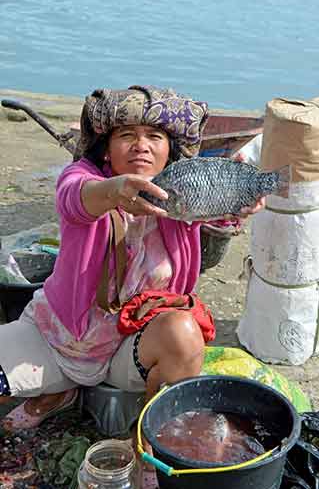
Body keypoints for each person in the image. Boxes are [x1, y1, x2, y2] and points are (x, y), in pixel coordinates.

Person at [0, 85, 264, 437]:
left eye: (155, 136)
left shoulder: (186, 196)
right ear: (107, 149)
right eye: (127, 135)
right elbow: (75, 199)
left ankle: (150, 436)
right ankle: (58, 392)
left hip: (128, 352)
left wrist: (238, 200)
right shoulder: (83, 180)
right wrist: (116, 191)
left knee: (184, 331)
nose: (141, 145)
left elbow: (221, 217)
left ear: (170, 151)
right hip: (54, 340)